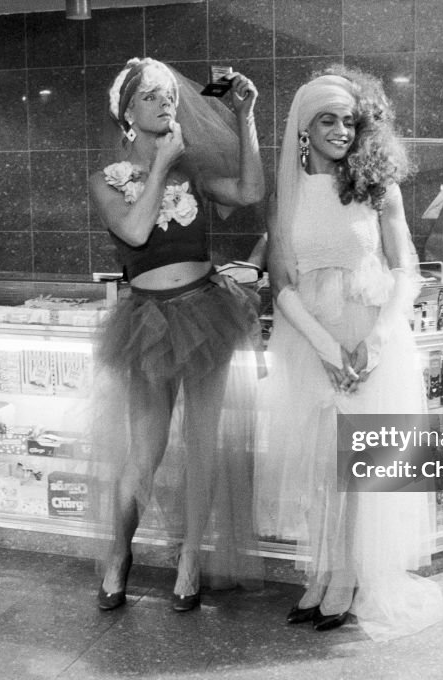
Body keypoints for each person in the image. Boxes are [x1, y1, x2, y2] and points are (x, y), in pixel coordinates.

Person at [259, 66, 443, 640]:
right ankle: (322, 574)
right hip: (311, 341)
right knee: (320, 470)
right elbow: (280, 279)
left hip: (371, 337)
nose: (341, 130)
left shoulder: (376, 185)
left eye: (349, 120)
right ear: (303, 130)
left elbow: (404, 266)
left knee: (358, 467)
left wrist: (375, 340)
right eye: (327, 120)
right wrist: (324, 347)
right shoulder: (285, 192)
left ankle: (346, 581)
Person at [89, 57, 265, 612]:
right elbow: (136, 230)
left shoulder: (193, 167)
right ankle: (119, 553)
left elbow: (248, 190)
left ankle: (190, 559)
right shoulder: (106, 180)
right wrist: (160, 166)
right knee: (146, 451)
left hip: (208, 310)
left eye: (169, 95)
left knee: (203, 448)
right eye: (150, 97)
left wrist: (247, 117)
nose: (166, 103)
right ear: (127, 115)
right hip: (148, 322)